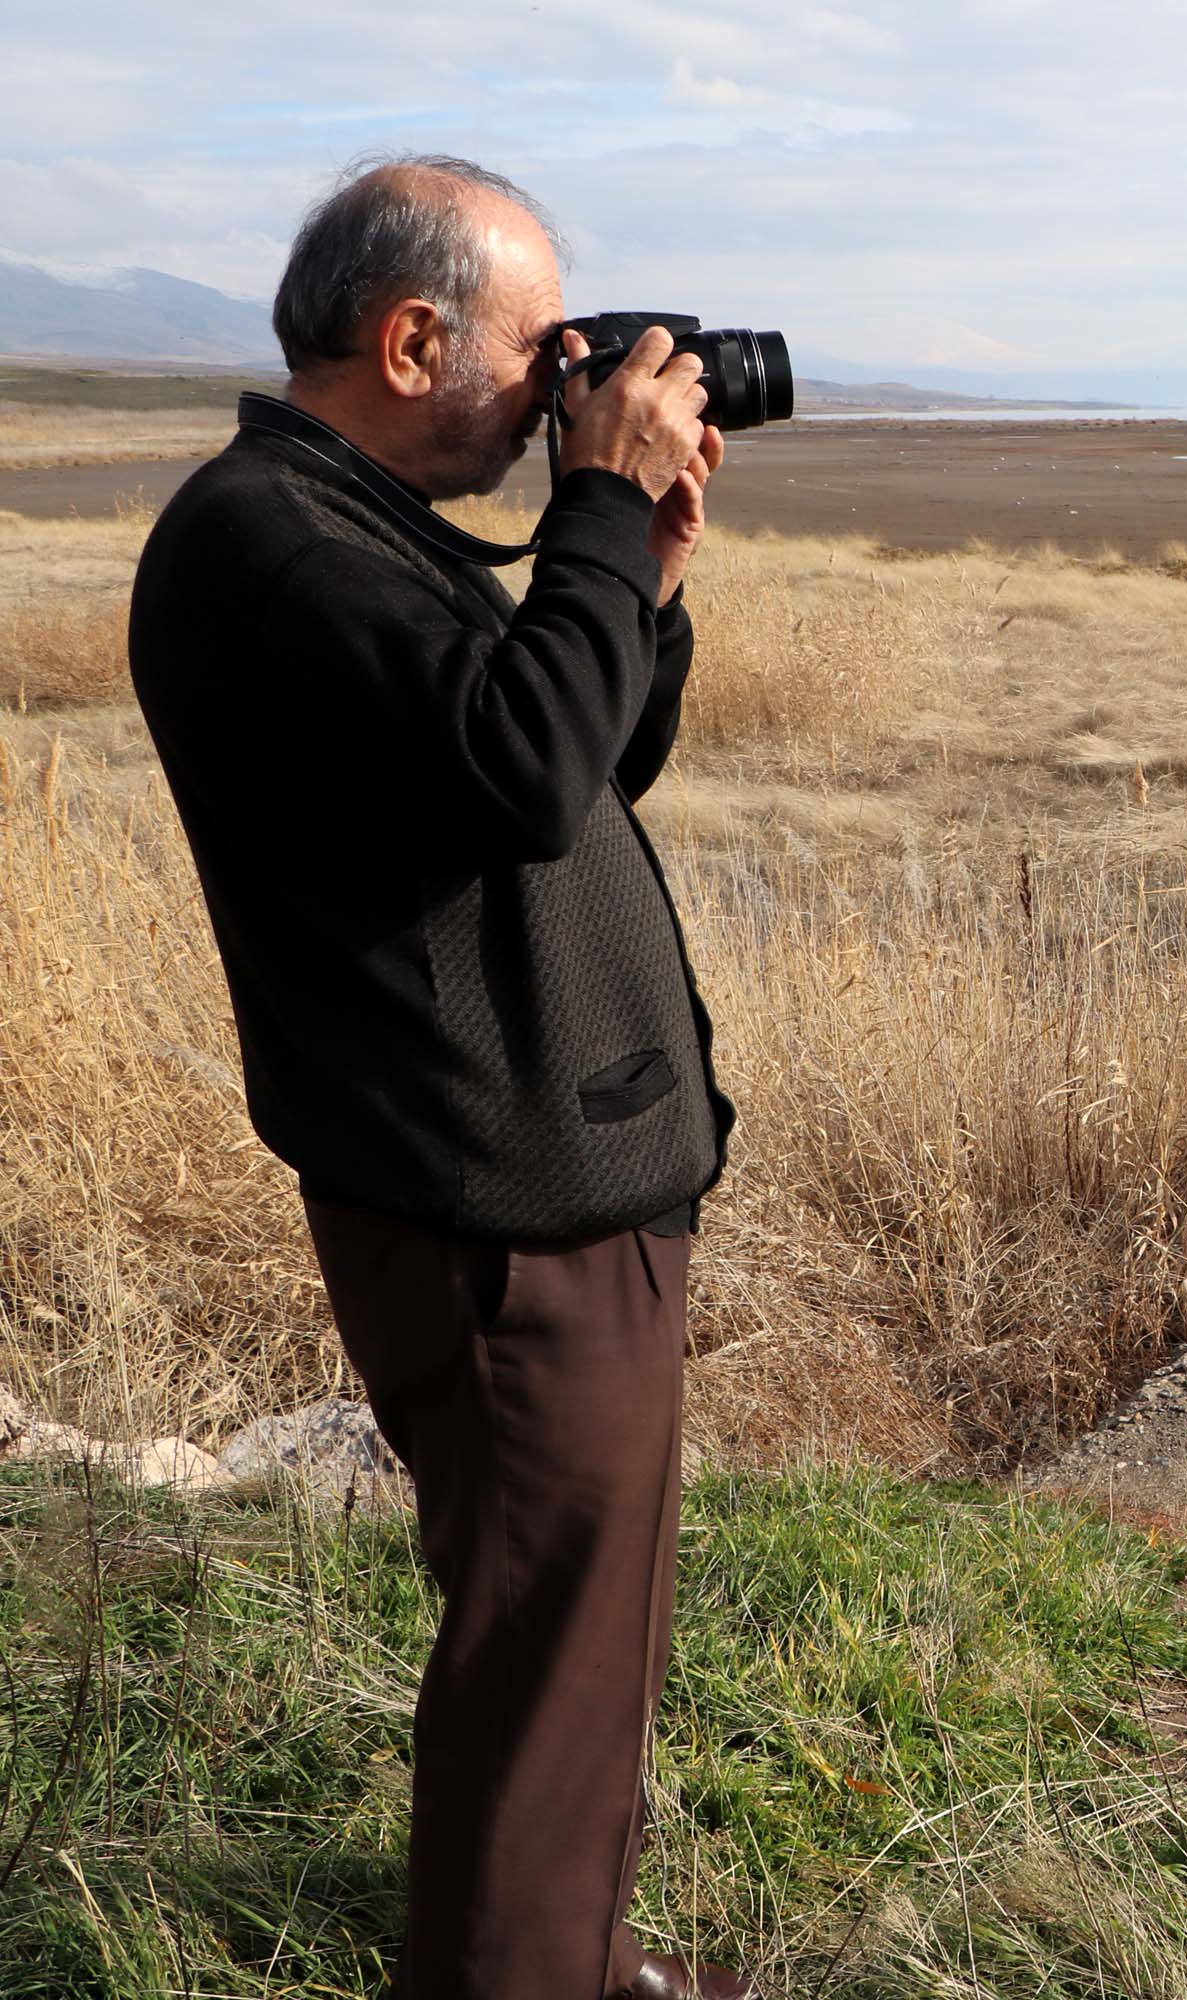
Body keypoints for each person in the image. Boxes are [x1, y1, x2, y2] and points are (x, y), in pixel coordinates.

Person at [128, 153, 754, 2000]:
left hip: (536, 1182)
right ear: (413, 337)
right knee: (542, 1652)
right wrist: (590, 528)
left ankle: (580, 1957)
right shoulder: (268, 545)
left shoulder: (351, 519)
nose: (572, 384)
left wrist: (636, 564)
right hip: (489, 1209)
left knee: (576, 1637)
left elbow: (575, 764)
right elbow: (518, 774)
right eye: (542, 345)